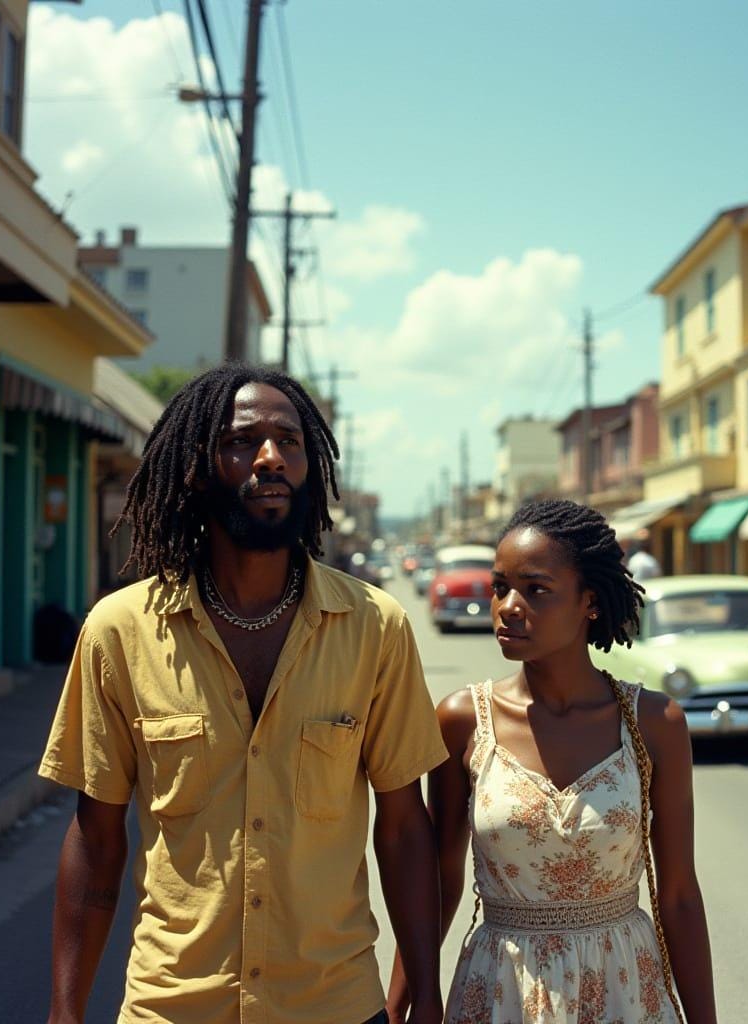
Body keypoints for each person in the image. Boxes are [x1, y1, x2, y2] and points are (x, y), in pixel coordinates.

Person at [39, 366, 447, 1024]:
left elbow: (402, 829)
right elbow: (96, 840)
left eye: (289, 441)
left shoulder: (375, 627)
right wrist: (65, 1011)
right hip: (172, 1007)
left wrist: (424, 992)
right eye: (241, 441)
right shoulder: (120, 632)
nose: (271, 457)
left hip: (334, 1005)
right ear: (197, 470)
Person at [389, 499, 717, 1024]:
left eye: (536, 590)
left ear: (590, 601)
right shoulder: (462, 720)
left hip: (624, 991)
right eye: (500, 587)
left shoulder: (654, 723)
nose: (508, 606)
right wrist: (408, 1000)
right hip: (502, 991)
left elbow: (678, 894)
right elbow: (440, 881)